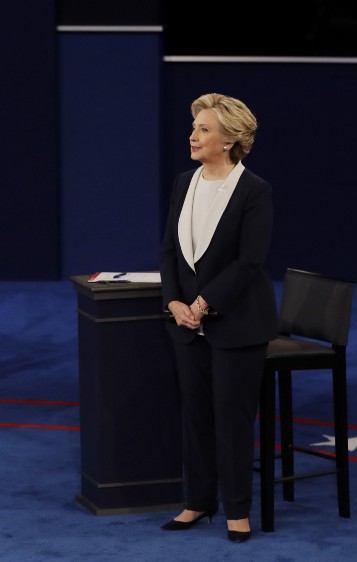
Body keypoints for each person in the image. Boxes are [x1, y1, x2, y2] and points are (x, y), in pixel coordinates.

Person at [158, 93, 277, 543]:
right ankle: (198, 502)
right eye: (194, 128)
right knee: (196, 417)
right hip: (185, 324)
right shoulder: (183, 182)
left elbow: (250, 262)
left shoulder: (254, 190)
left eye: (203, 129)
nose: (193, 135)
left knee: (231, 418)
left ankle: (238, 511)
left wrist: (203, 304)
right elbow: (169, 249)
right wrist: (174, 303)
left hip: (238, 324)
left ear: (228, 140)